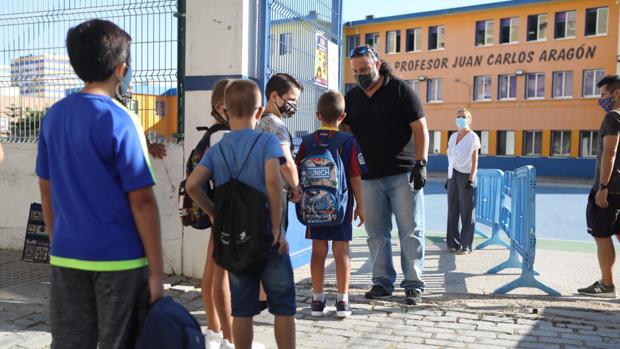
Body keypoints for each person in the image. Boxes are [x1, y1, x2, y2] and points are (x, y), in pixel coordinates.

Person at [36, 19, 163, 348]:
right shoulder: (121, 119)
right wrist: (156, 273)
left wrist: (58, 240)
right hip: (120, 261)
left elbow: (46, 190)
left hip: (66, 255)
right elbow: (143, 201)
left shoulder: (54, 116)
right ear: (121, 69)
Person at [186, 79, 296, 349]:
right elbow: (273, 182)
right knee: (283, 308)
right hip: (266, 235)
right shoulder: (267, 141)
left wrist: (214, 214)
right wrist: (276, 229)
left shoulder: (218, 148)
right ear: (259, 112)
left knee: (242, 310)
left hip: (236, 239)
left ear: (226, 111)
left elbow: (192, 185)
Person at [343, 45, 428, 305]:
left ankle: (413, 284)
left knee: (410, 230)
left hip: (403, 175)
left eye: (365, 69)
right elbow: (345, 131)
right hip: (369, 178)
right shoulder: (352, 97)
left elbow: (420, 127)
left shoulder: (400, 90)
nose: (360, 75)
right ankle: (382, 282)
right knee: (376, 233)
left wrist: (421, 162)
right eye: (355, 71)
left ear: (377, 64)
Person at [295, 91, 366, 318]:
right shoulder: (348, 142)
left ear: (318, 115)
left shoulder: (307, 142)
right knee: (341, 251)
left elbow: (298, 173)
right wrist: (361, 205)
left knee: (318, 251)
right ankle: (343, 302)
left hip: (314, 206)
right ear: (342, 116)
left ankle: (317, 300)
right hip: (341, 206)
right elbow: (355, 176)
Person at [256, 73, 303, 310]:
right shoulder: (276, 125)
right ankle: (267, 302)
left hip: (255, 193)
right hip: (275, 196)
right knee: (275, 249)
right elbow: (286, 162)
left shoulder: (256, 121)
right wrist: (296, 187)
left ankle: (257, 299)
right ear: (274, 96)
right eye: (290, 98)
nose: (293, 105)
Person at [196, 79, 234, 348]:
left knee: (211, 275)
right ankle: (230, 340)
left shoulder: (212, 133)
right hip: (226, 212)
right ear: (222, 107)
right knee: (221, 279)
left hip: (216, 211)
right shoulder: (223, 135)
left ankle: (213, 332)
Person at [580, 74, 620, 298]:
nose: (600, 99)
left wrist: (603, 186)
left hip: (610, 189)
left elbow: (610, 152)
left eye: (603, 94)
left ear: (616, 94)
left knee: (602, 236)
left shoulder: (612, 117)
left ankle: (606, 285)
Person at [446, 108, 481, 255]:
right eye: (458, 116)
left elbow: (475, 160)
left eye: (464, 117)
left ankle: (465, 245)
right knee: (452, 210)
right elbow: (451, 157)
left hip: (466, 176)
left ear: (469, 119)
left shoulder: (473, 137)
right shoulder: (453, 136)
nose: (460, 119)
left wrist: (471, 178)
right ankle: (452, 243)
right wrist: (448, 177)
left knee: (467, 211)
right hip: (452, 175)